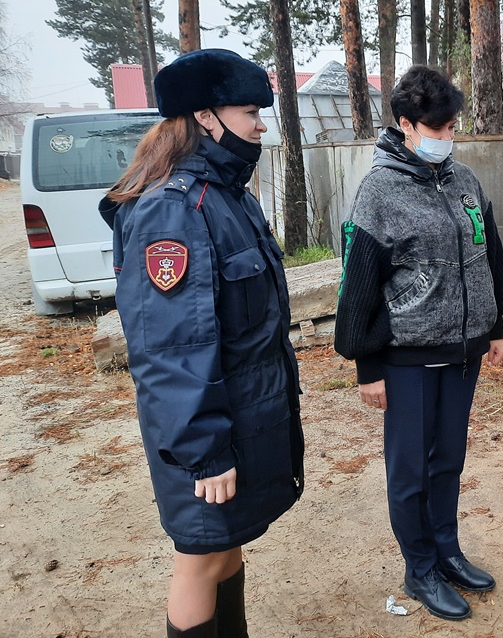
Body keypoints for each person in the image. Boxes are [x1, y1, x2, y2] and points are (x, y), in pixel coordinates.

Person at [99, 48, 305, 638]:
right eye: (250, 111)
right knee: (200, 557)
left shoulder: (225, 194)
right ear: (205, 117)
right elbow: (171, 351)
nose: (260, 125)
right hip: (207, 433)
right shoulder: (173, 210)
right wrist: (205, 452)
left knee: (227, 547)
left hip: (239, 417)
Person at [333, 65, 503, 621]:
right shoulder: (379, 191)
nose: (447, 136)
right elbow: (358, 281)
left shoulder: (463, 181)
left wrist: (494, 329)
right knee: (411, 468)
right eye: (436, 128)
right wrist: (368, 365)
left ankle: (447, 552)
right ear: (406, 125)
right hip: (407, 357)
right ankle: (419, 570)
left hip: (462, 354)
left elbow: (488, 258)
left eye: (451, 125)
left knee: (449, 460)